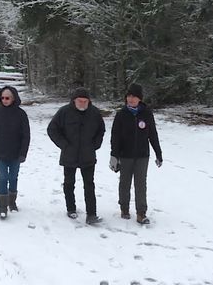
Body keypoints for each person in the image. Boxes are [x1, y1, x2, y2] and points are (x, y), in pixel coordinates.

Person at [47, 87, 105, 224]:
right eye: (80, 101)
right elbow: (52, 129)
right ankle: (71, 208)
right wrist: (63, 144)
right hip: (69, 155)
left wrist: (95, 144)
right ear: (74, 101)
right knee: (69, 183)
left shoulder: (94, 112)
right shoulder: (64, 112)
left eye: (85, 101)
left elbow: (101, 130)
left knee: (89, 185)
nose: (83, 104)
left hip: (88, 155)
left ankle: (91, 214)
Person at [109, 83, 163, 225]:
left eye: (134, 97)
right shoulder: (121, 115)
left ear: (140, 99)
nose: (131, 99)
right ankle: (124, 208)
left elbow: (153, 134)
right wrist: (114, 155)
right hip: (125, 155)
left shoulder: (147, 113)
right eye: (129, 96)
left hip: (142, 155)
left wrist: (158, 153)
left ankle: (141, 213)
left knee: (141, 184)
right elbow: (115, 137)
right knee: (125, 183)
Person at [0, 86, 30, 220]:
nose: (4, 100)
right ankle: (2, 207)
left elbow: (26, 135)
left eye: (7, 98)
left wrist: (23, 153)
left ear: (14, 98)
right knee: (3, 177)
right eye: (2, 98)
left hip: (16, 154)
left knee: (13, 177)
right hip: (0, 153)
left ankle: (12, 202)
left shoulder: (21, 114)